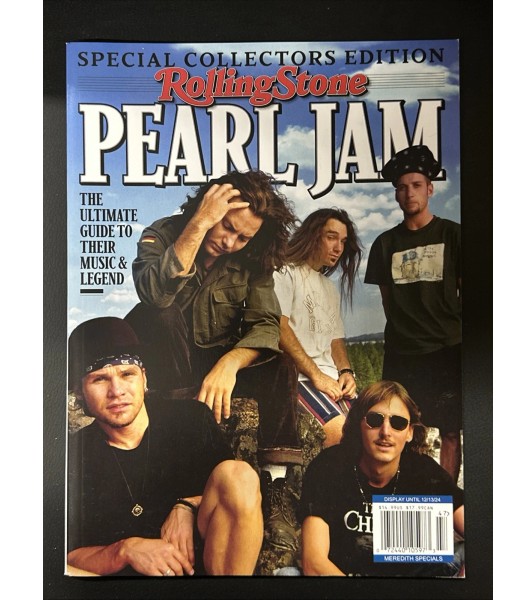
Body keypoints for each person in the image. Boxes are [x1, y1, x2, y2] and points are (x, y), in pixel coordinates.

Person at [123, 170, 303, 548]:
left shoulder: (253, 257)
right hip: (164, 361)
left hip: (215, 358)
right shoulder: (163, 232)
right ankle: (184, 457)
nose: (229, 242)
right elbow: (154, 294)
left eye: (243, 237)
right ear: (208, 205)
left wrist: (230, 363)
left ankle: (276, 485)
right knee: (160, 313)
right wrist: (200, 223)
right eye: (226, 226)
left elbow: (266, 323)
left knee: (281, 365)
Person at [66, 316, 263, 576]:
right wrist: (124, 549)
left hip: (204, 575)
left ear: (144, 379)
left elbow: (239, 497)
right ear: (80, 391)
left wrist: (187, 505)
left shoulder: (190, 419)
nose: (117, 391)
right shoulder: (73, 456)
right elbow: (65, 555)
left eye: (127, 374)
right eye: (100, 379)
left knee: (239, 475)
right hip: (123, 587)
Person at [364, 145, 462, 482]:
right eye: (402, 187)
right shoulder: (384, 244)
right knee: (400, 427)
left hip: (447, 349)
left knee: (450, 429)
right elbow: (388, 302)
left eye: (417, 185)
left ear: (430, 189)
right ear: (396, 194)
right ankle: (405, 494)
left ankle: (447, 497)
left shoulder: (453, 235)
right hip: (403, 353)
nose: (409, 193)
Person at [298, 380, 464, 577]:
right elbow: (314, 563)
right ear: (359, 424)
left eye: (398, 423)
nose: (386, 432)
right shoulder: (330, 466)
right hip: (343, 580)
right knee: (288, 574)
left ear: (410, 432)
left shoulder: (424, 471)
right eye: (375, 420)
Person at [273, 208, 363, 447]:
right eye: (331, 237)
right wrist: (316, 375)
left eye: (343, 241)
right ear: (313, 236)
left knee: (370, 431)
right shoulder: (285, 272)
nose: (338, 248)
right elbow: (279, 328)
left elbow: (335, 340)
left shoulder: (329, 288)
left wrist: (346, 372)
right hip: (298, 379)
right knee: (341, 435)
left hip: (331, 380)